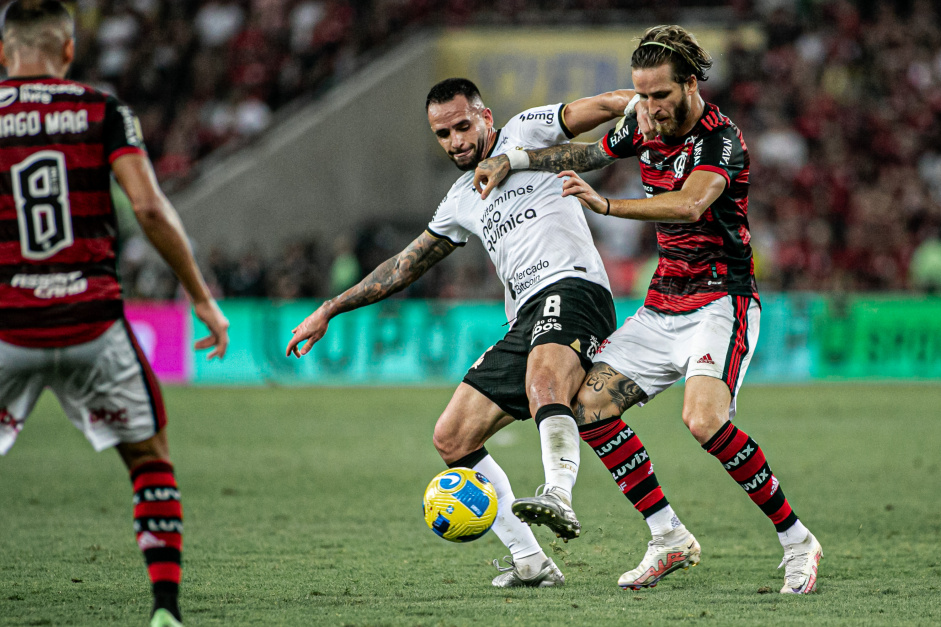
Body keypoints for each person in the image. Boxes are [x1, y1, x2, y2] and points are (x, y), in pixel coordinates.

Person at [473, 25, 822, 595]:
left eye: (659, 95)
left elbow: (690, 205)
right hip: (663, 304)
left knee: (704, 421)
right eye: (640, 95)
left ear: (689, 84)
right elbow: (586, 151)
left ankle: (797, 541)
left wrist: (605, 203)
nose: (648, 109)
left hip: (720, 300)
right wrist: (515, 158)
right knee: (589, 407)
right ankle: (668, 536)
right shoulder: (640, 121)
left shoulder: (721, 139)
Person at [287, 77, 644, 587]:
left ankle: (557, 494)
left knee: (544, 381)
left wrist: (641, 104)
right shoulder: (460, 199)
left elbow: (605, 106)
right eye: (442, 133)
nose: (455, 140)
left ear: (486, 116)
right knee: (452, 438)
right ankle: (531, 562)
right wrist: (331, 307)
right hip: (526, 315)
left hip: (575, 290)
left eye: (462, 125)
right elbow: (404, 266)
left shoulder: (527, 132)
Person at [0, 2, 230, 626]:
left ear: (4, 53)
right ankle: (165, 612)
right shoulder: (102, 110)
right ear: (68, 50)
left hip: (7, 323)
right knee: (150, 458)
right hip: (91, 319)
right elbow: (150, 209)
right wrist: (201, 297)